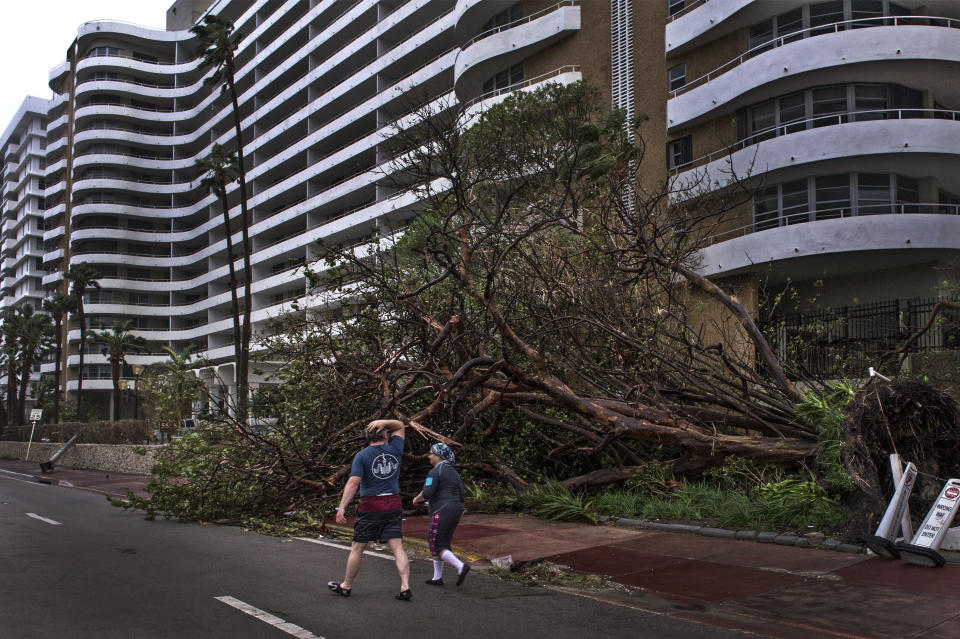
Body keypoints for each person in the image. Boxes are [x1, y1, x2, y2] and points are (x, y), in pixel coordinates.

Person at [329, 418, 412, 601]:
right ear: (384, 434)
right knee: (397, 546)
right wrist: (383, 421)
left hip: (371, 506)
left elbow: (353, 482)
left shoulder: (362, 455)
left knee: (358, 547)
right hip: (393, 504)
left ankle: (346, 585)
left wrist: (342, 507)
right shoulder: (395, 449)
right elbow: (399, 425)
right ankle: (405, 586)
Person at [412, 442, 470, 587]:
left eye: (431, 454)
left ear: (438, 456)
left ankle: (460, 566)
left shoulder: (435, 471)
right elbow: (462, 493)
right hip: (456, 509)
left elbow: (428, 492)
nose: (429, 457)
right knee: (443, 541)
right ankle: (437, 578)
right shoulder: (454, 473)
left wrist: (416, 499)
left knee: (436, 543)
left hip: (441, 510)